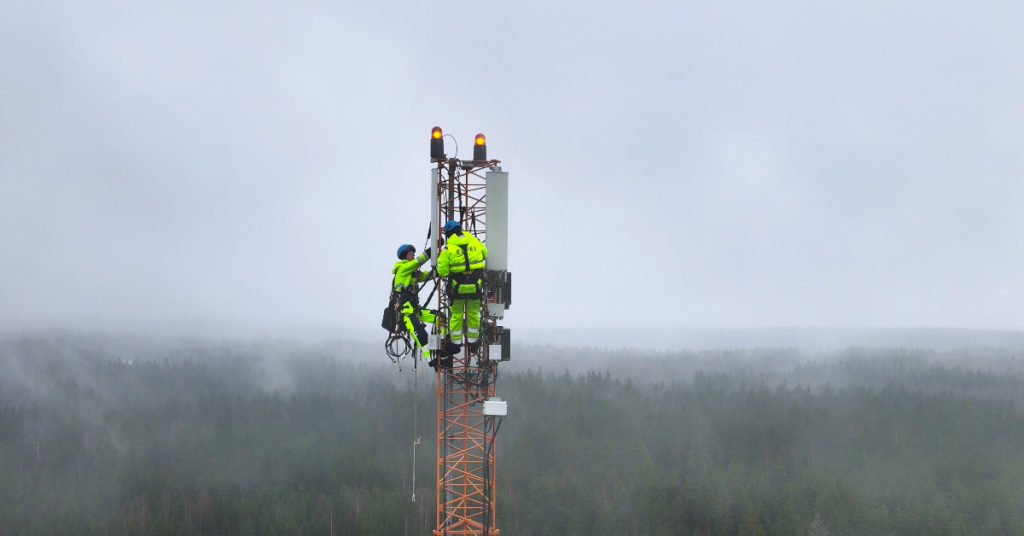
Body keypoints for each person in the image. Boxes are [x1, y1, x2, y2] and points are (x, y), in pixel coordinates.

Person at [436, 220, 488, 354]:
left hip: (457, 290)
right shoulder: (475, 241)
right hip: (475, 288)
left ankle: (455, 344)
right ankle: (473, 343)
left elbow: (442, 272)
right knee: (473, 315)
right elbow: (485, 254)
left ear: (448, 234)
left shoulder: (448, 248)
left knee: (456, 316)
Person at [392, 243, 436, 359]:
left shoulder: (411, 274)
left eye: (413, 253)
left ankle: (440, 348)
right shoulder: (402, 268)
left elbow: (427, 276)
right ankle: (432, 357)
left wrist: (442, 269)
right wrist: (433, 248)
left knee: (439, 317)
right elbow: (418, 261)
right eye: (411, 253)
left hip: (415, 309)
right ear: (404, 255)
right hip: (406, 310)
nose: (413, 255)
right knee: (420, 332)